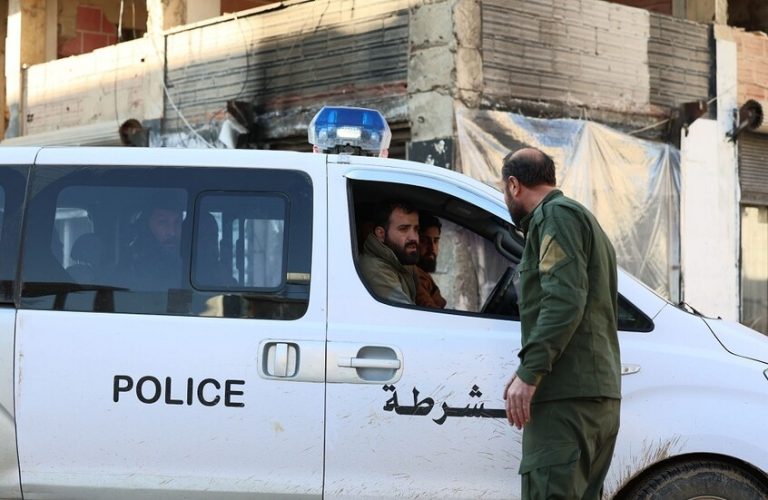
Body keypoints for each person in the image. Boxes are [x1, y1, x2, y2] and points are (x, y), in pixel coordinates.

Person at [500, 148, 621, 499]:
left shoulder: (555, 217)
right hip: (589, 397)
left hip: (565, 400)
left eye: (503, 188)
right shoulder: (579, 217)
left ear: (514, 185)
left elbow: (564, 301)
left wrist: (530, 373)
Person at [358, 200, 419, 304]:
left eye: (416, 229)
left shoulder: (401, 261)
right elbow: (404, 313)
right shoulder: (376, 270)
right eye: (403, 229)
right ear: (381, 234)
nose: (414, 237)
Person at [122, 195, 184, 290]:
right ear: (146, 227)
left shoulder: (196, 265)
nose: (172, 232)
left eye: (177, 222)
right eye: (162, 222)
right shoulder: (129, 268)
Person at [415, 213, 446, 309]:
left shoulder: (424, 274)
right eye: (424, 241)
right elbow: (430, 310)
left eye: (435, 241)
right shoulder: (415, 275)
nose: (432, 248)